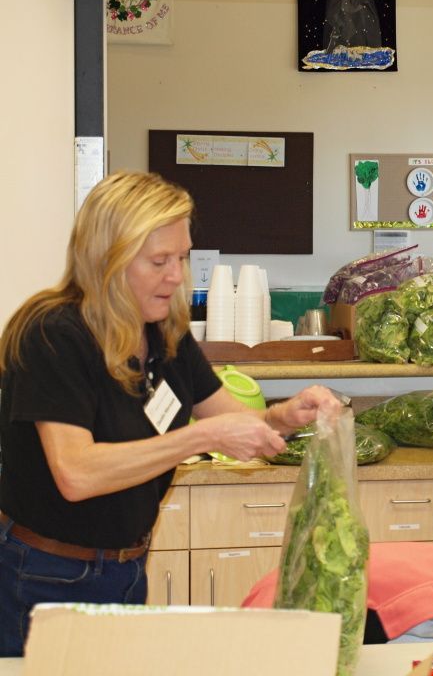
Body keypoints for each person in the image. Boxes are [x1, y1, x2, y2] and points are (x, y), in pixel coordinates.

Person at [0, 171, 340, 656]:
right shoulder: (55, 334)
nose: (178, 276)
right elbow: (76, 473)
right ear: (107, 260)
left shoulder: (165, 334)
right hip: (42, 577)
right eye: (160, 261)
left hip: (125, 571)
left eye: (182, 257)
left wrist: (287, 414)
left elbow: (237, 419)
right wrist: (199, 438)